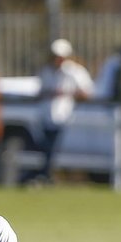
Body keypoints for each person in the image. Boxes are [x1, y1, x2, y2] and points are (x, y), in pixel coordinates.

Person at [33, 38, 94, 182]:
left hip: (66, 118)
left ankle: (46, 176)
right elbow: (40, 93)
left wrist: (68, 93)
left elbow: (87, 93)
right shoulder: (46, 71)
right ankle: (45, 176)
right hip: (47, 117)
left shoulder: (74, 72)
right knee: (46, 150)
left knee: (54, 150)